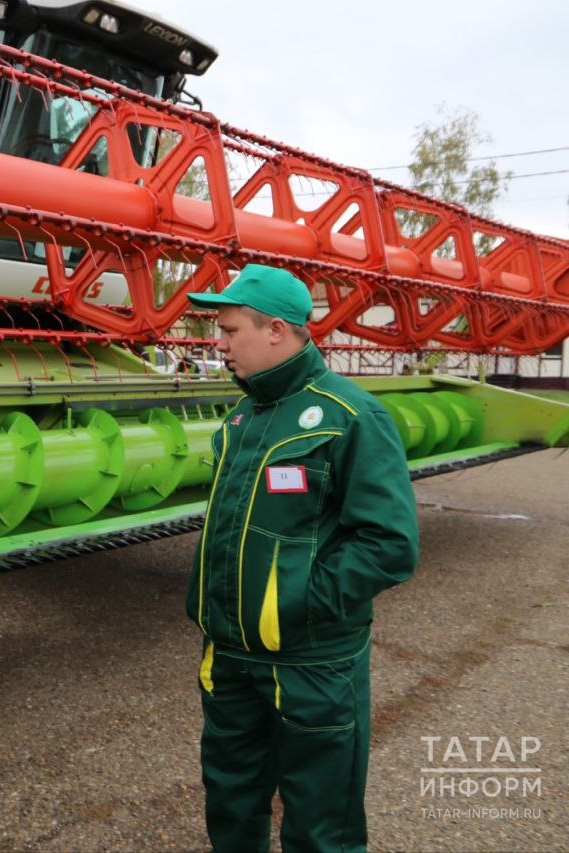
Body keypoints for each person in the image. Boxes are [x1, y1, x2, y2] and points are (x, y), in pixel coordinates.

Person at [185, 264, 419, 852]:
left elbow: (389, 543)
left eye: (230, 330)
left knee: (322, 827)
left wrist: (302, 605)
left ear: (277, 331)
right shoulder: (242, 418)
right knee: (232, 809)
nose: (219, 342)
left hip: (312, 666)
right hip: (231, 660)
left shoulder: (351, 415)